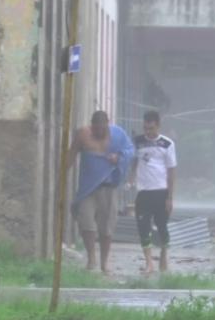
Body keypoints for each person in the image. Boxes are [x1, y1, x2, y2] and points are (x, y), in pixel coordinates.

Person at [68, 111, 134, 274]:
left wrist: (119, 157)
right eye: (96, 129)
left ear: (107, 125)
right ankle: (91, 258)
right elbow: (71, 155)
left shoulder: (117, 135)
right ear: (91, 126)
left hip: (108, 186)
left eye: (102, 129)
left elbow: (131, 150)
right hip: (88, 188)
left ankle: (105, 262)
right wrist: (62, 174)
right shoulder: (83, 135)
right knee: (86, 221)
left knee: (106, 227)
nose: (99, 132)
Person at [129, 111, 177, 274]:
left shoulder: (167, 144)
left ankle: (164, 253)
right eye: (145, 128)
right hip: (143, 192)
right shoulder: (137, 142)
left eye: (151, 128)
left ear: (158, 125)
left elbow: (171, 171)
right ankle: (149, 262)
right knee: (143, 227)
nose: (148, 132)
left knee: (162, 227)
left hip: (161, 191)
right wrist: (131, 176)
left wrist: (170, 197)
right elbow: (134, 160)